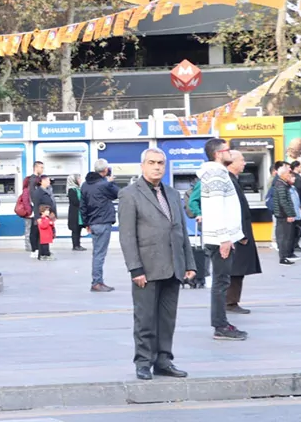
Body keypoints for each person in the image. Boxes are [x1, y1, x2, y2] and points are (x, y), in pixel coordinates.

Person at [118, 148, 196, 381]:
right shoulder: (129, 194)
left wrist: (189, 263)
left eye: (161, 163)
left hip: (173, 266)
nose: (157, 167)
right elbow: (127, 236)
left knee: (167, 318)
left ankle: (164, 361)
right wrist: (135, 268)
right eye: (152, 162)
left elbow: (180, 230)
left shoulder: (172, 194)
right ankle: (143, 362)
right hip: (147, 268)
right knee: (145, 319)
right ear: (142, 166)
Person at [198, 138, 247, 341]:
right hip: (219, 239)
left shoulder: (216, 173)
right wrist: (225, 238)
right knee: (221, 283)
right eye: (227, 150)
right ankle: (220, 325)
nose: (231, 153)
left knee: (221, 282)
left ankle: (221, 323)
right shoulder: (217, 174)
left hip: (220, 237)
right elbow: (217, 207)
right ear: (218, 154)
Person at [225, 152, 261, 315]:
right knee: (236, 269)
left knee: (238, 268)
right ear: (231, 162)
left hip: (239, 232)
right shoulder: (229, 180)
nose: (244, 163)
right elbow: (234, 210)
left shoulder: (233, 180)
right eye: (241, 160)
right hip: (237, 234)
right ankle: (230, 302)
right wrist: (241, 234)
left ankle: (232, 300)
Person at [81, 159, 119, 292]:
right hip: (103, 221)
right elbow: (118, 194)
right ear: (105, 170)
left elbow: (83, 206)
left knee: (97, 252)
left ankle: (98, 281)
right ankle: (97, 282)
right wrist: (111, 182)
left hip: (93, 222)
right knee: (99, 254)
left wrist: (86, 223)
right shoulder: (103, 184)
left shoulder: (85, 185)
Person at [271, 164, 296, 265]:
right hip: (283, 215)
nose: (289, 175)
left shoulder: (281, 184)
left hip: (282, 214)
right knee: (284, 236)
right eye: (288, 174)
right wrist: (290, 214)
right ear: (284, 174)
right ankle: (283, 257)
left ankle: (284, 256)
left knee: (284, 236)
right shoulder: (281, 185)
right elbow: (284, 201)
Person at [28, 174, 55, 259]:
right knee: (42, 236)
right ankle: (42, 253)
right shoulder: (38, 192)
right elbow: (36, 205)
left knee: (47, 235)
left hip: (48, 215)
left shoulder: (48, 191)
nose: (49, 182)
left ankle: (46, 252)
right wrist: (38, 217)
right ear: (41, 182)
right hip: (41, 216)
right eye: (47, 180)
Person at [21, 161, 45, 251]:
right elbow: (32, 195)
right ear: (36, 168)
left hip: (36, 208)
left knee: (34, 230)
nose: (42, 170)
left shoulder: (36, 179)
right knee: (32, 230)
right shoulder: (33, 180)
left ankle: (35, 248)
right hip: (34, 208)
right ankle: (32, 248)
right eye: (41, 167)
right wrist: (34, 208)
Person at [66, 174, 84, 251]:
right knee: (75, 229)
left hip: (79, 212)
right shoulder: (71, 190)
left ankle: (78, 244)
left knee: (79, 228)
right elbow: (75, 201)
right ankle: (75, 245)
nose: (80, 180)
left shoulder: (78, 189)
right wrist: (83, 203)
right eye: (78, 179)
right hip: (75, 213)